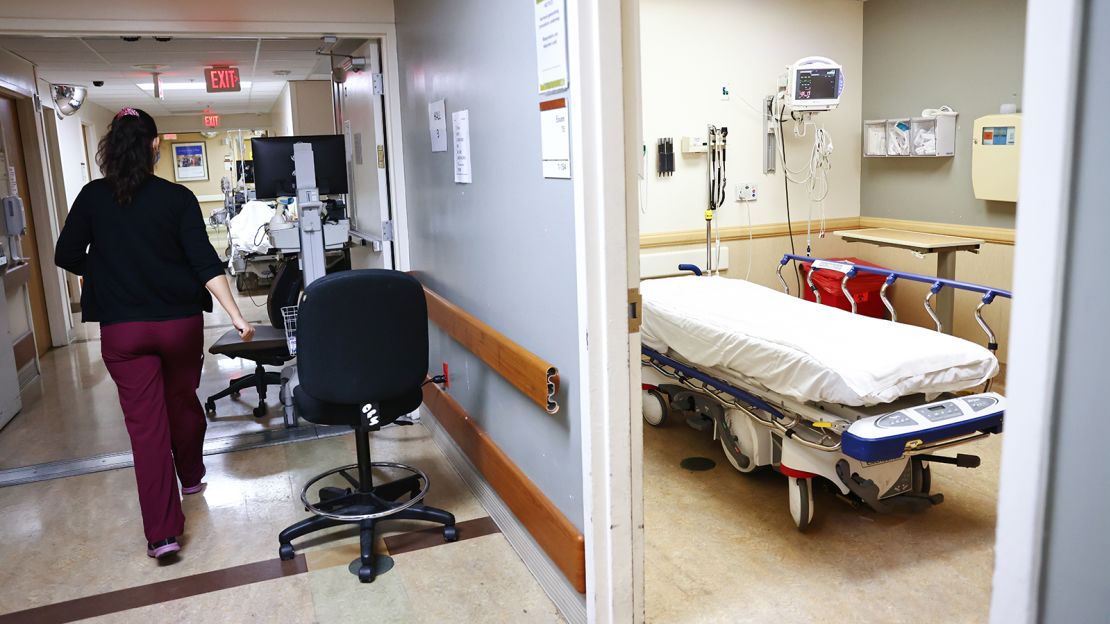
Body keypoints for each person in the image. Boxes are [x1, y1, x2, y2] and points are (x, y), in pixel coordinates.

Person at [54, 107, 255, 560]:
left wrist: (102, 271)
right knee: (181, 400)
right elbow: (206, 262)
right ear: (155, 146)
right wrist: (237, 315)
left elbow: (65, 254)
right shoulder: (177, 198)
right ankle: (192, 475)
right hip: (178, 325)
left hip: (123, 333)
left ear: (110, 147)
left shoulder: (91, 197)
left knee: (147, 429)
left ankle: (163, 535)